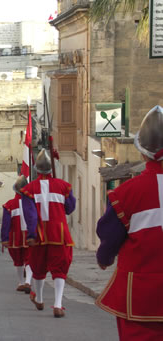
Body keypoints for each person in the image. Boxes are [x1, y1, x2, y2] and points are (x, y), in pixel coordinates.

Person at [96, 106, 163, 339]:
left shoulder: (126, 192)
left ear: (143, 152)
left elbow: (110, 234)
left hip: (140, 294)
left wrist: (104, 258)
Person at [20, 148, 76, 318]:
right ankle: (58, 305)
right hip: (59, 235)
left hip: (38, 236)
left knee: (38, 268)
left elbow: (30, 215)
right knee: (59, 269)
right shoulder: (64, 186)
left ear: (37, 169)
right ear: (51, 168)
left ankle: (40, 299)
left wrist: (30, 235)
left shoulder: (29, 189)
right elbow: (70, 208)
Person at [2, 175, 33, 294]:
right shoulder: (32, 202)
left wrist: (5, 239)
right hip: (30, 236)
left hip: (15, 238)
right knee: (29, 259)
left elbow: (6, 223)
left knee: (18, 261)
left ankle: (21, 282)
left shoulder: (9, 205)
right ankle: (28, 281)